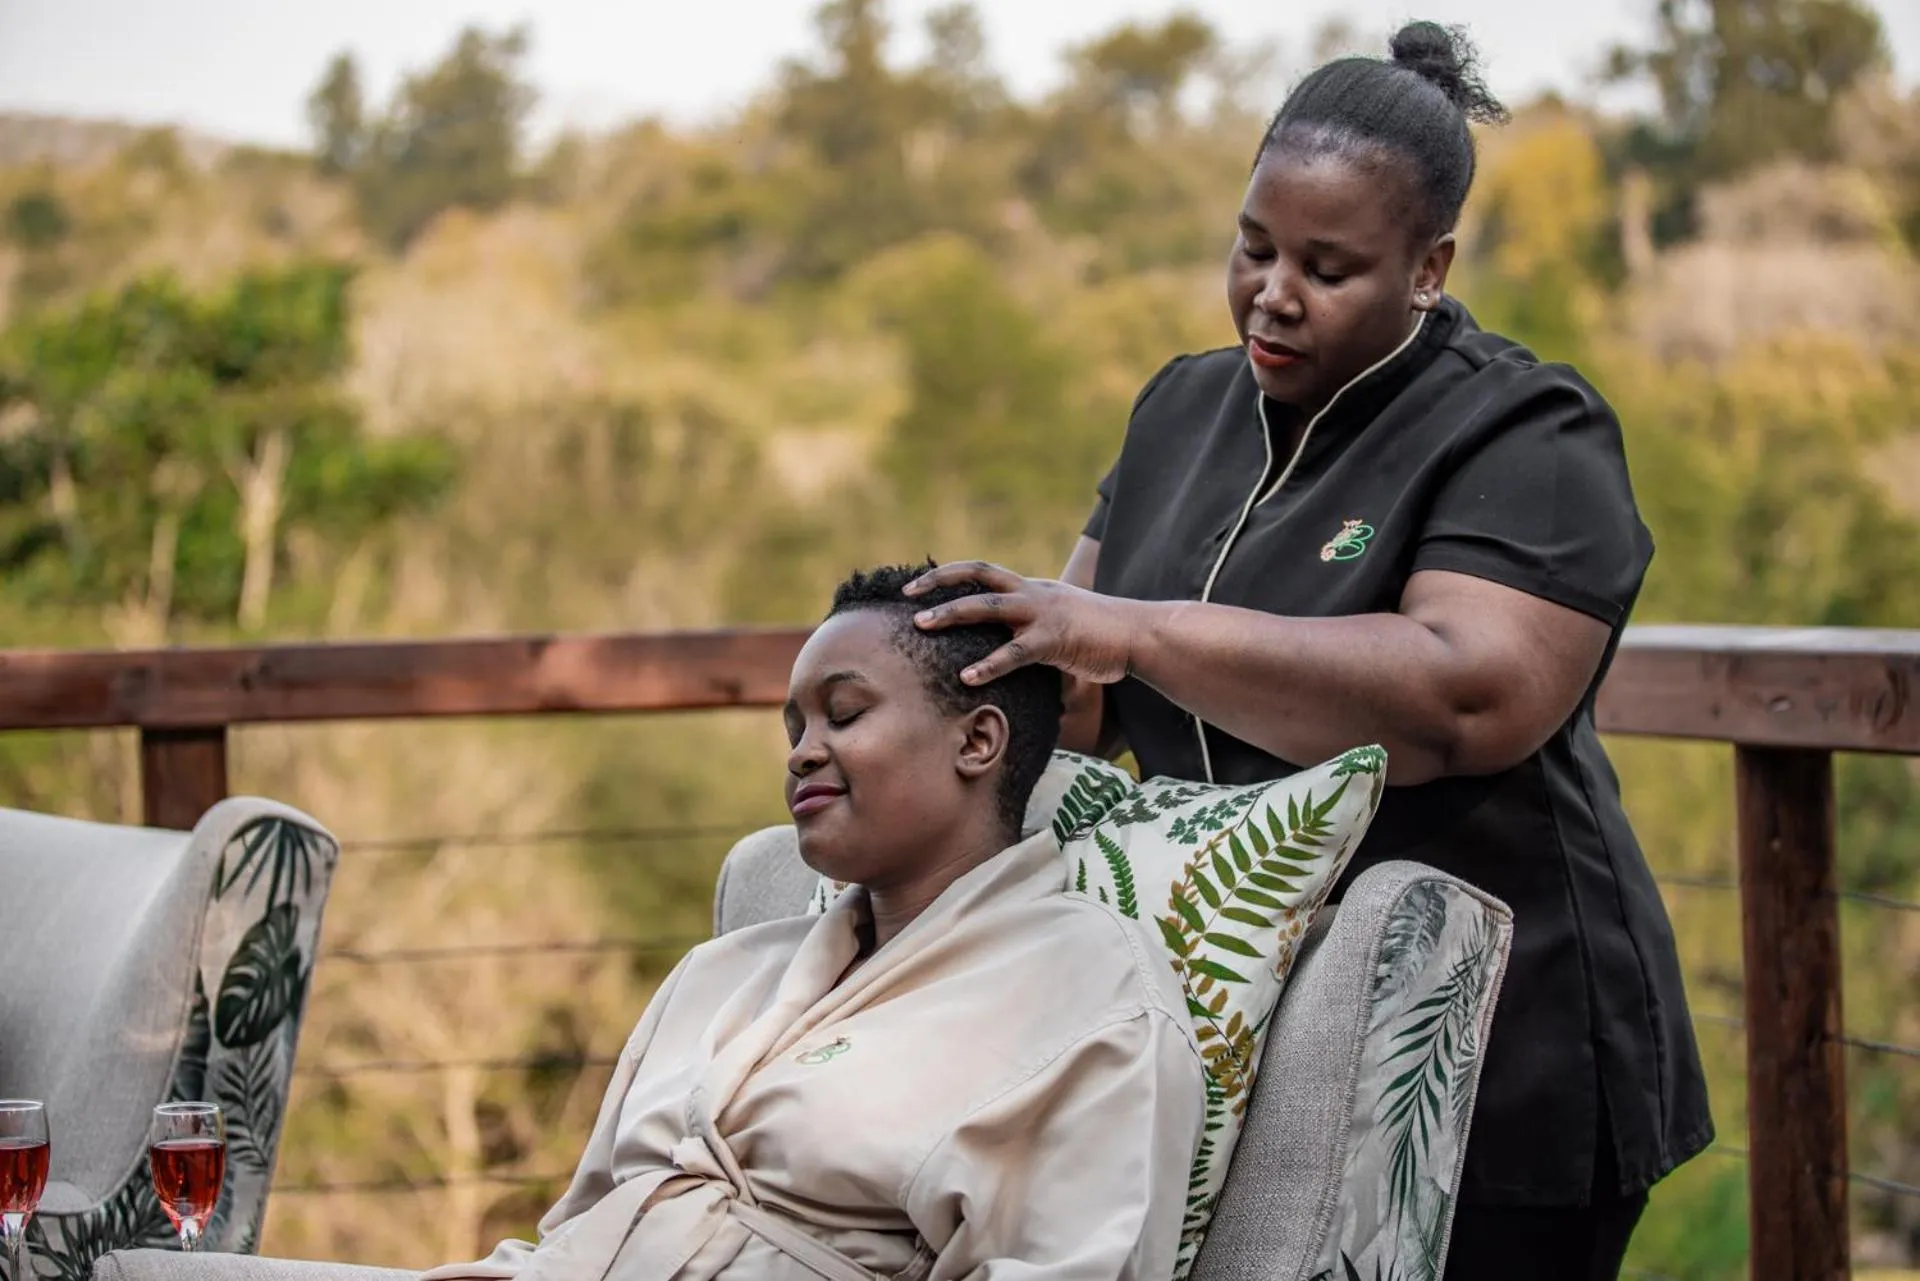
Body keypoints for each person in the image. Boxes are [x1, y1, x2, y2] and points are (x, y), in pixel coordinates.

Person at [903, 22, 1710, 1281]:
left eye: (1328, 267)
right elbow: (1088, 693)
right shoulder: (1181, 407)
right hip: (1222, 1045)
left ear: (1429, 266)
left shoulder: (1527, 429)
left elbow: (1464, 699)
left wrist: (1138, 632)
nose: (1272, 293)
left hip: (1494, 1065)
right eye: (1255, 246)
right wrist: (929, 685)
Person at [420, 564, 1205, 1281]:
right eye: (795, 728)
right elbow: (574, 1227)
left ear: (976, 739)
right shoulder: (721, 971)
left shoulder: (1086, 987)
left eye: (844, 713)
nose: (802, 753)